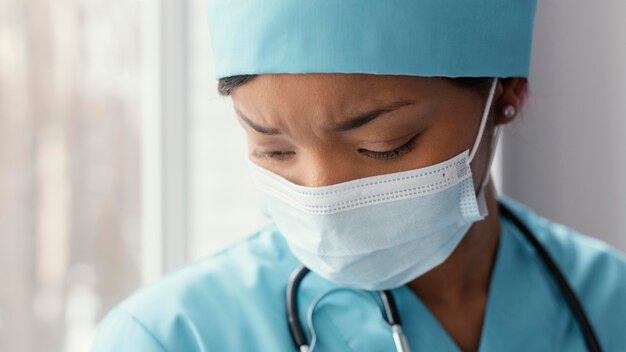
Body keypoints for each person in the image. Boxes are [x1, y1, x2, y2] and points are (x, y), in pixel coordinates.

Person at [92, 1, 626, 351]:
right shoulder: (170, 338)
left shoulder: (612, 302)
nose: (324, 200)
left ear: (505, 91)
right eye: (273, 149)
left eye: (382, 146)